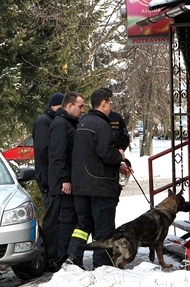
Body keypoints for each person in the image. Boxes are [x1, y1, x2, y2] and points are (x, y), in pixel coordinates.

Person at [66, 87, 127, 269]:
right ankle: (102, 265)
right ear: (104, 103)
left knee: (82, 225)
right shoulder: (101, 125)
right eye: (110, 103)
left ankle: (73, 256)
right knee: (103, 227)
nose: (110, 107)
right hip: (100, 185)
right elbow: (105, 153)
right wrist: (120, 157)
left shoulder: (82, 123)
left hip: (81, 185)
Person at [48, 92, 85, 269]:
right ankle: (62, 261)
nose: (82, 110)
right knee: (66, 221)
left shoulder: (68, 123)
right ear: (69, 106)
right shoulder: (60, 124)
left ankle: (71, 258)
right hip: (64, 185)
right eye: (80, 106)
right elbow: (58, 155)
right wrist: (65, 179)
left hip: (71, 181)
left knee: (72, 220)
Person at [32, 92, 64, 272]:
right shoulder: (44, 122)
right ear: (54, 106)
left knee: (58, 218)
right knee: (52, 219)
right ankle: (50, 257)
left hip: (52, 178)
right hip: (49, 180)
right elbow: (45, 152)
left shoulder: (51, 120)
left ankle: (56, 255)